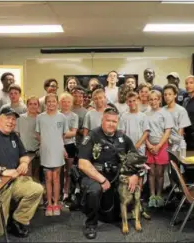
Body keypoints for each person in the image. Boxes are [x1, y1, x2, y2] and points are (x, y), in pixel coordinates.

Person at [0, 107, 43, 238]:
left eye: (13, 119)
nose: (11, 121)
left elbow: (24, 155)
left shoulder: (14, 136)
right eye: (8, 118)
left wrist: (24, 163)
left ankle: (17, 220)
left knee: (36, 189)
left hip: (12, 182)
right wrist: (2, 171)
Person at [77, 107, 142, 239]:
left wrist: (135, 175)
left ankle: (125, 212)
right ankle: (91, 224)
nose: (111, 124)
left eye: (114, 121)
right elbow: (82, 163)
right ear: (102, 120)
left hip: (116, 176)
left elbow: (136, 158)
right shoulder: (92, 136)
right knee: (94, 190)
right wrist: (101, 179)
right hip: (95, 175)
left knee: (111, 217)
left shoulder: (122, 137)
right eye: (108, 121)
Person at [36, 93, 69, 216]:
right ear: (45, 103)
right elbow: (38, 134)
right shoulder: (40, 117)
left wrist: (57, 144)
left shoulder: (62, 117)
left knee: (56, 178)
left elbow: (63, 134)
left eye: (53, 101)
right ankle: (49, 203)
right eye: (48, 101)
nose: (51, 104)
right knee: (48, 178)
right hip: (45, 151)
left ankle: (56, 203)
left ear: (57, 103)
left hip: (57, 151)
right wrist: (46, 144)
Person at [145, 90, 174, 208]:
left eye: (155, 99)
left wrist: (158, 146)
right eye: (151, 99)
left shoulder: (165, 113)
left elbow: (167, 131)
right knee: (151, 172)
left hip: (161, 146)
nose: (153, 102)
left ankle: (159, 195)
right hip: (149, 146)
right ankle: (152, 196)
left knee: (160, 173)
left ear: (159, 100)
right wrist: (149, 145)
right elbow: (144, 132)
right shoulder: (145, 114)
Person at [59, 93, 79, 202]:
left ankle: (66, 191)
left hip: (70, 145)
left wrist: (59, 134)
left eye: (68, 102)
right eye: (63, 101)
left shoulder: (74, 116)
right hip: (57, 145)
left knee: (69, 171)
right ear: (59, 103)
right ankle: (59, 191)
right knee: (59, 171)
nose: (66, 104)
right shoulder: (56, 114)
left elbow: (73, 132)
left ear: (71, 103)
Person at [15, 96, 40, 180]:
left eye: (35, 104)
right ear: (27, 105)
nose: (33, 106)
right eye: (30, 104)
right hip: (25, 153)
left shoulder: (41, 118)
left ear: (38, 106)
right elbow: (16, 135)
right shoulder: (20, 118)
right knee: (27, 177)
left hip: (38, 152)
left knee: (37, 177)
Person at [162, 84, 191, 152]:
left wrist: (174, 142)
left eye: (169, 94)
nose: (167, 96)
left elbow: (181, 131)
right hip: (165, 144)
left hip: (178, 145)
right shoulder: (162, 110)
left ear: (175, 95)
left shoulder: (181, 110)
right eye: (165, 95)